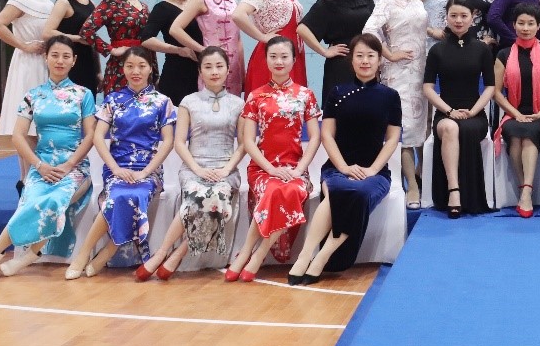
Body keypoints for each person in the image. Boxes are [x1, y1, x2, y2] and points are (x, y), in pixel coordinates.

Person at [0, 36, 96, 279]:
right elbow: (18, 136)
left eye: (66, 56)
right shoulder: (33, 95)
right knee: (29, 201)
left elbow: (90, 136)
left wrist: (69, 164)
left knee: (55, 201)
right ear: (45, 58)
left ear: (74, 61)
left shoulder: (83, 94)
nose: (60, 61)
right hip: (42, 164)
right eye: (54, 55)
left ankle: (28, 256)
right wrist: (39, 165)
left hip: (75, 167)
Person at [288, 35, 403, 286]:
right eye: (359, 55)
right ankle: (305, 255)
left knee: (358, 193)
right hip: (337, 168)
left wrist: (373, 169)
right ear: (351, 60)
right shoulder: (337, 93)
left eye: (371, 56)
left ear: (380, 60)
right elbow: (327, 134)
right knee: (338, 190)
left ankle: (323, 256)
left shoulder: (390, 96)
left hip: (374, 173)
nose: (365, 61)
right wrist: (343, 167)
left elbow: (393, 138)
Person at [136, 47, 246, 281]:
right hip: (193, 169)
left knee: (215, 197)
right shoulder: (189, 101)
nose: (214, 72)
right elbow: (179, 143)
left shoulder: (239, 104)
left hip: (225, 170)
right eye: (208, 67)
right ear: (200, 71)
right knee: (199, 195)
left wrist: (226, 169)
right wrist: (198, 170)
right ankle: (163, 252)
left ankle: (176, 253)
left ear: (228, 70)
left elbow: (244, 144)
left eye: (219, 66)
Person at [65, 48, 176, 279]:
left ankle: (107, 252)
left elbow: (168, 141)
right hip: (117, 167)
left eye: (142, 66)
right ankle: (84, 254)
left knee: (134, 195)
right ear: (122, 69)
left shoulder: (162, 101)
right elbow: (98, 137)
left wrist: (146, 171)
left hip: (149, 170)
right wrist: (115, 168)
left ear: (151, 68)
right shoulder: (113, 100)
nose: (136, 71)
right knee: (116, 195)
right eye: (130, 66)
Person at [227, 36, 322, 282]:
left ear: (294, 60)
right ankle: (248, 252)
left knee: (291, 190)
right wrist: (270, 169)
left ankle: (257, 253)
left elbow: (315, 138)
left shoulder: (305, 95)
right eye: (273, 56)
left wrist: (299, 169)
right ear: (266, 59)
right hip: (262, 168)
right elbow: (248, 141)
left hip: (295, 168)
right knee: (272, 189)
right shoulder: (255, 96)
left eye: (284, 56)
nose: (279, 61)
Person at [364, 0, 429, 209]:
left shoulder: (417, 2)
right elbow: (369, 30)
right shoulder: (386, 2)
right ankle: (411, 186)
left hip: (421, 71)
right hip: (398, 74)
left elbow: (420, 29)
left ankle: (422, 178)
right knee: (405, 129)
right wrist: (389, 54)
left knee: (423, 127)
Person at [422, 0, 496, 217]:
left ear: (472, 18)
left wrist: (473, 111)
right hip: (446, 111)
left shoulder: (482, 49)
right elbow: (427, 88)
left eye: (464, 16)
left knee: (466, 128)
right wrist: (449, 111)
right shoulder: (437, 50)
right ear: (446, 17)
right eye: (453, 15)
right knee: (450, 127)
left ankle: (469, 195)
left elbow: (490, 87)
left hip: (475, 113)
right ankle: (454, 190)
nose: (458, 20)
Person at [492, 3, 540, 217]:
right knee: (515, 133)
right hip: (513, 113)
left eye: (531, 23)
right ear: (514, 25)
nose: (526, 28)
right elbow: (496, 92)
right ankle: (524, 189)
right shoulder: (503, 55)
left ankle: (526, 191)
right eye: (521, 23)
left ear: (538, 26)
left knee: (529, 134)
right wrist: (516, 113)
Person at [299, 0, 375, 100]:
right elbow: (302, 29)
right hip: (341, 66)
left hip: (367, 63)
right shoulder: (327, 3)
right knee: (341, 108)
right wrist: (324, 51)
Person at [169, 0, 245, 96]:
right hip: (212, 66)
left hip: (234, 68)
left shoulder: (234, 2)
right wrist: (202, 49)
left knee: (234, 107)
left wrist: (242, 72)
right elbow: (175, 29)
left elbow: (238, 40)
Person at [234, 0, 307, 93]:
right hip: (273, 55)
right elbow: (238, 14)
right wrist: (262, 37)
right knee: (268, 101)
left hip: (293, 54)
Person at [0, 0, 53, 137]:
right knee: (28, 118)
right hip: (28, 63)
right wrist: (24, 46)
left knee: (43, 120)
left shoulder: (49, 4)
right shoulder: (19, 0)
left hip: (46, 62)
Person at [79, 0, 151, 95]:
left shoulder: (144, 7)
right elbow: (86, 31)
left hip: (143, 64)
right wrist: (110, 49)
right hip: (120, 64)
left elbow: (149, 40)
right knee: (117, 104)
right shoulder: (109, 4)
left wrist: (154, 71)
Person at [141, 0, 200, 105]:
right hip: (176, 72)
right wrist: (178, 50)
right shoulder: (162, 8)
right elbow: (146, 39)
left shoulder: (197, 4)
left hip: (202, 70)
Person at [42, 0, 100, 92]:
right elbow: (47, 33)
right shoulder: (64, 2)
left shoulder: (92, 3)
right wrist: (77, 38)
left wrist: (98, 71)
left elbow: (93, 40)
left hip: (89, 64)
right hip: (68, 63)